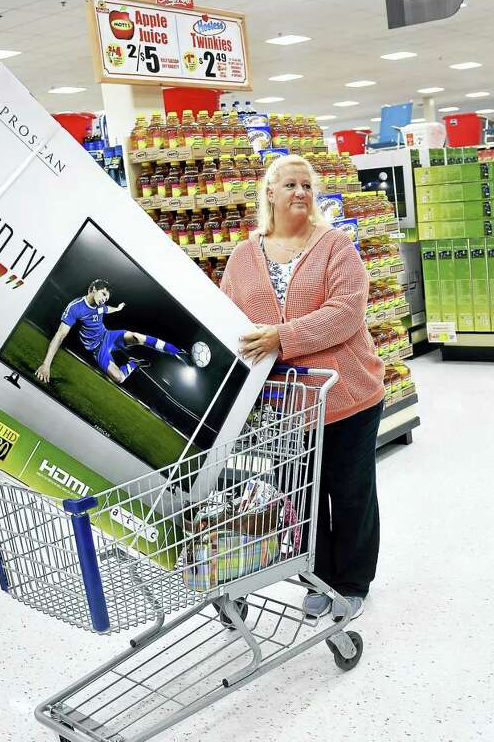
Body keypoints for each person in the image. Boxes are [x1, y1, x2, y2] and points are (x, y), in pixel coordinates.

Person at [220, 154, 385, 621]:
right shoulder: (243, 256)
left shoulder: (336, 246)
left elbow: (346, 313)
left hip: (347, 394)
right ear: (269, 193)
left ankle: (351, 582)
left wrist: (282, 337)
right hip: (283, 406)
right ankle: (318, 576)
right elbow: (229, 316)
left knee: (349, 492)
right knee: (300, 494)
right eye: (290, 184)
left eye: (307, 186)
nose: (300, 193)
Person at [36, 279, 185, 385]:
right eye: (103, 294)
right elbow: (60, 335)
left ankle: (177, 352)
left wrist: (118, 309)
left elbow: (107, 309)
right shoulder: (76, 307)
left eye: (106, 298)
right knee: (119, 378)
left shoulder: (100, 306)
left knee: (137, 336)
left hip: (108, 336)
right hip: (97, 349)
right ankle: (133, 364)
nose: (104, 299)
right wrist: (46, 364)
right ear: (93, 289)